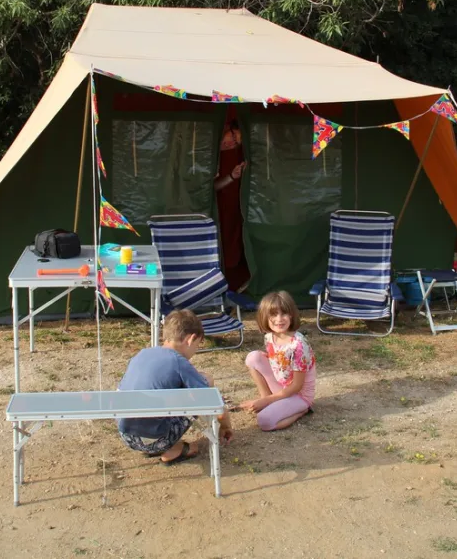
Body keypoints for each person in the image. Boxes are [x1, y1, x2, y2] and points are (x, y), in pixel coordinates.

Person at [116, 310, 233, 464]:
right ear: (191, 339)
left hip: (127, 436)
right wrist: (225, 425)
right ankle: (173, 449)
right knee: (206, 382)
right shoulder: (179, 361)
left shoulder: (143, 353)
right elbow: (209, 397)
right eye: (197, 345)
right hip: (154, 440)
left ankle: (158, 444)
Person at [241, 291, 316, 431]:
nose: (279, 319)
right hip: (282, 385)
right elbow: (274, 362)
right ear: (264, 316)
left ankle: (302, 410)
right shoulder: (269, 336)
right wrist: (267, 399)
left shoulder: (298, 346)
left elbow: (296, 386)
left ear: (291, 315)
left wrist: (267, 401)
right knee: (253, 357)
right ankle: (268, 399)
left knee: (264, 421)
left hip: (299, 395)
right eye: (273, 314)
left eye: (284, 314)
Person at [214, 112, 250, 291]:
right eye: (233, 136)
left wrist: (232, 176)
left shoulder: (233, 157)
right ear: (226, 128)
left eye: (237, 143)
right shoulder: (207, 149)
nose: (232, 143)